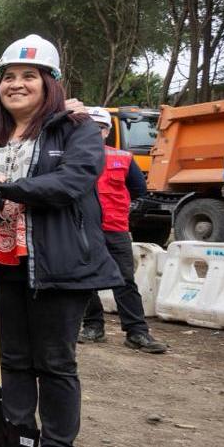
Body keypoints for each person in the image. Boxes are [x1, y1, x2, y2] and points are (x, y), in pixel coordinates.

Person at [0, 34, 122, 447]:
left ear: (50, 83)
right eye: (9, 77)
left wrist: (3, 187)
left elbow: (72, 182)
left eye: (29, 76)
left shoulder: (75, 130)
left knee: (56, 361)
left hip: (58, 266)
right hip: (1, 267)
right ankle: (20, 439)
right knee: (12, 360)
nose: (17, 84)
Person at [78, 107, 167, 353]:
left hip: (115, 228)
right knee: (84, 279)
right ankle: (93, 327)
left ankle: (137, 332)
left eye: (99, 128)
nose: (94, 131)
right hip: (81, 228)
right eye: (87, 126)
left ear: (106, 132)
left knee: (124, 279)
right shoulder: (71, 157)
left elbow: (138, 190)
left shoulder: (124, 158)